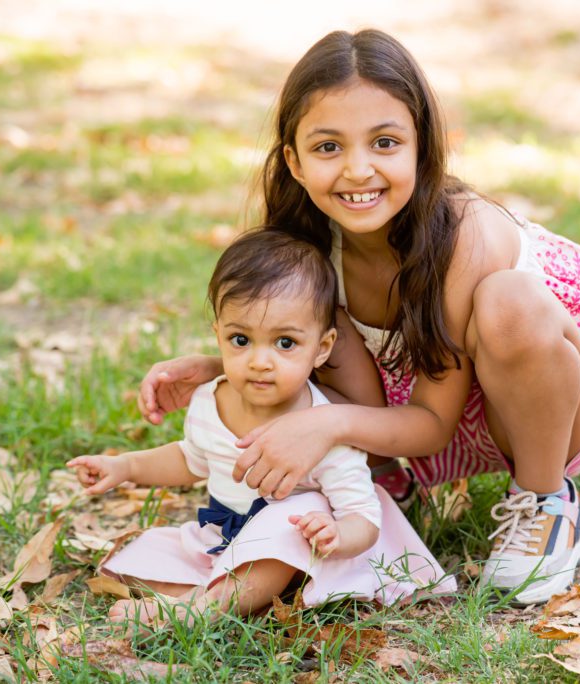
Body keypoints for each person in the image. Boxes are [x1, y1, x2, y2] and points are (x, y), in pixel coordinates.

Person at [138, 29, 580, 605]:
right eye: (328, 148)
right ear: (294, 162)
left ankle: (547, 502)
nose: (357, 170)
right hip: (405, 421)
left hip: (542, 410)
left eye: (384, 143)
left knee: (510, 303)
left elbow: (432, 424)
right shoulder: (309, 247)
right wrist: (218, 365)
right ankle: (378, 480)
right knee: (313, 328)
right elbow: (305, 353)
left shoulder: (465, 234)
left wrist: (326, 425)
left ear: (422, 146)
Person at [68, 230, 454, 628]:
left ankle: (201, 609)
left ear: (321, 348)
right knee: (134, 561)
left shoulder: (320, 430)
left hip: (300, 551)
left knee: (289, 522)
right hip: (225, 537)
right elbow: (190, 458)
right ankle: (224, 594)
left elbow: (364, 519)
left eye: (285, 343)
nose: (260, 362)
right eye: (241, 339)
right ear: (217, 334)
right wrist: (126, 468)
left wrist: (335, 533)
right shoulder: (209, 399)